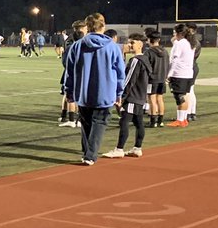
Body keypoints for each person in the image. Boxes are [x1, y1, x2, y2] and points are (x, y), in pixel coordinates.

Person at [61, 13, 125, 165]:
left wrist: (68, 91)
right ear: (104, 26)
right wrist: (119, 92)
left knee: (86, 123)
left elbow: (69, 71)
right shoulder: (113, 47)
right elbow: (120, 72)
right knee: (99, 123)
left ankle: (87, 152)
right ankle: (90, 155)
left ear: (87, 27)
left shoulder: (77, 46)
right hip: (105, 92)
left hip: (83, 92)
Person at [103, 34, 152, 159]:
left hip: (132, 97)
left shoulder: (136, 60)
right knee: (138, 122)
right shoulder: (146, 60)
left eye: (133, 43)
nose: (130, 45)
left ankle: (119, 149)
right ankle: (137, 147)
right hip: (140, 96)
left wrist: (121, 96)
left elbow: (128, 80)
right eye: (129, 43)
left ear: (140, 44)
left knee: (124, 121)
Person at [58, 19, 87, 127]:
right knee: (72, 95)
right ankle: (71, 118)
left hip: (71, 72)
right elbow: (67, 59)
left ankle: (70, 118)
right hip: (74, 72)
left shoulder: (73, 40)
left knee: (69, 94)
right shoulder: (74, 40)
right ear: (82, 28)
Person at [167, 23, 195, 127]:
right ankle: (183, 119)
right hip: (188, 74)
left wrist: (169, 73)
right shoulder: (190, 43)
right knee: (184, 96)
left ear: (179, 33)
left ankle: (180, 120)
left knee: (179, 97)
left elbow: (175, 59)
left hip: (179, 74)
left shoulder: (179, 43)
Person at [145, 31, 168, 128]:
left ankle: (153, 121)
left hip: (152, 79)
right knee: (160, 99)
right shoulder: (165, 51)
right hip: (162, 78)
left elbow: (146, 66)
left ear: (149, 39)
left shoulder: (149, 52)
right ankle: (160, 121)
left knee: (152, 100)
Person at [185, 22, 202, 121]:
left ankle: (187, 113)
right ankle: (192, 112)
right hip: (192, 66)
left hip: (189, 67)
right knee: (191, 90)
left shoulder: (192, 42)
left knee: (188, 91)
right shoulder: (194, 41)